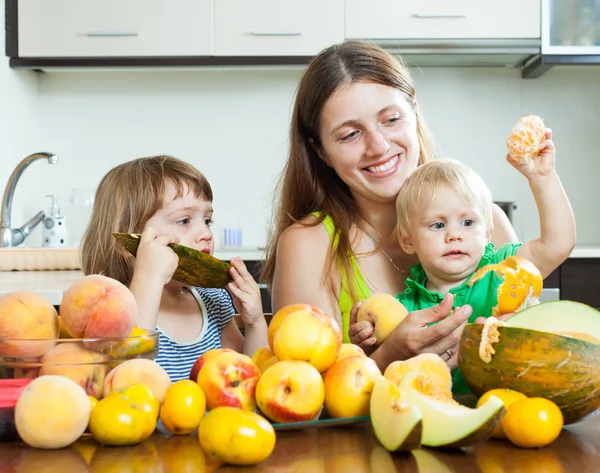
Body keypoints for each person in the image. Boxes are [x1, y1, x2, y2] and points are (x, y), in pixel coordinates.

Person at [261, 40, 519, 372]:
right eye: (350, 134)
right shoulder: (308, 245)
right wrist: (387, 357)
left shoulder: (486, 222)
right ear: (321, 151)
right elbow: (305, 398)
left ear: (414, 112)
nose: (379, 147)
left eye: (391, 119)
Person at [355, 156, 575, 393]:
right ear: (408, 240)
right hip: (441, 417)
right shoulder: (404, 312)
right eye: (438, 225)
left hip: (513, 407)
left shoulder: (506, 270)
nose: (454, 235)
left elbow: (558, 244)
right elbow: (382, 377)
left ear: (488, 232)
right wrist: (369, 347)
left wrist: (542, 177)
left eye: (468, 222)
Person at [81, 155, 268, 382]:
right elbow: (127, 380)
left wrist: (255, 322)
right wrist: (148, 277)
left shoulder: (212, 300)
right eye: (184, 221)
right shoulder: (115, 311)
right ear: (128, 241)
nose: (206, 233)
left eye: (207, 221)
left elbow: (248, 377)